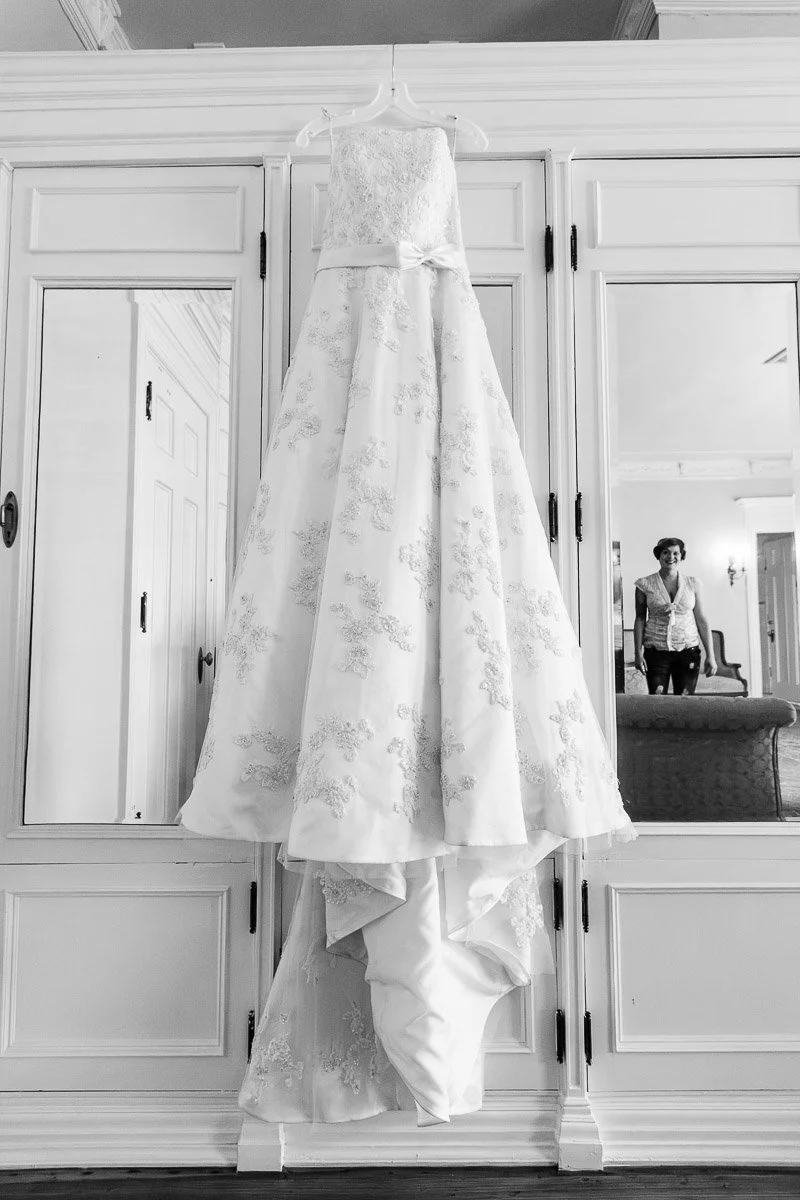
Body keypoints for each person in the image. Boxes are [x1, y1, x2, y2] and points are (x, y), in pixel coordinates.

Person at [178, 124, 634, 1126]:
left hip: (436, 351)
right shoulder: (350, 165)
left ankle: (420, 1024)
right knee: (339, 554)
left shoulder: (430, 167)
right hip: (348, 360)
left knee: (452, 549)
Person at [634, 536, 717, 695]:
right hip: (656, 652)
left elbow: (701, 620)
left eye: (675, 553)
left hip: (688, 651)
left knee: (685, 702)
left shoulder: (693, 583)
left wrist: (711, 656)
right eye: (665, 552)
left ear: (681, 556)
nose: (670, 557)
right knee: (658, 702)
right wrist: (638, 653)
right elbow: (639, 619)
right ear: (658, 555)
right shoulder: (644, 584)